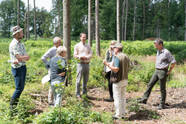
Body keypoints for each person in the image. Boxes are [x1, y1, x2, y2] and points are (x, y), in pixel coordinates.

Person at [138, 38, 176, 110]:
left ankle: (162, 104)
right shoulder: (158, 50)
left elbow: (173, 62)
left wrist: (169, 71)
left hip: (162, 71)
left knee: (162, 88)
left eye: (156, 45)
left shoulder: (166, 52)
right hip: (156, 70)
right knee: (150, 84)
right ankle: (144, 99)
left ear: (161, 45)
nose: (155, 46)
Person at [103, 42, 130, 119]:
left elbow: (116, 70)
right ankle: (123, 114)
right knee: (123, 97)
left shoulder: (117, 57)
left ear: (117, 49)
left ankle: (118, 115)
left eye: (114, 48)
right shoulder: (126, 56)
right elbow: (128, 67)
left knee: (117, 97)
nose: (113, 49)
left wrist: (107, 64)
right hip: (125, 79)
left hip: (118, 80)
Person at [9, 25, 30, 111]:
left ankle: (15, 106)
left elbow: (25, 57)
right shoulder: (13, 44)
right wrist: (23, 58)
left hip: (23, 66)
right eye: (21, 32)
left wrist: (23, 58)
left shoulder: (21, 43)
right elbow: (19, 57)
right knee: (18, 88)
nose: (22, 33)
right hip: (17, 68)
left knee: (21, 88)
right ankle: (12, 107)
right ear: (17, 34)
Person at [41, 37, 62, 105]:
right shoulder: (52, 50)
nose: (60, 43)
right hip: (53, 70)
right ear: (55, 43)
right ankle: (50, 101)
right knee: (52, 85)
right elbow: (43, 58)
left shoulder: (61, 49)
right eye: (59, 42)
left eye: (60, 41)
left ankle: (57, 100)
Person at [74, 33, 92, 98]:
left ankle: (84, 93)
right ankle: (77, 94)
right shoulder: (77, 46)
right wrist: (80, 57)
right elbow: (75, 55)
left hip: (87, 64)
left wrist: (87, 57)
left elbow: (91, 53)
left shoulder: (88, 46)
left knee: (86, 80)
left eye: (85, 37)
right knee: (78, 80)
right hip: (80, 64)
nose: (84, 38)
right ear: (80, 38)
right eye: (83, 37)